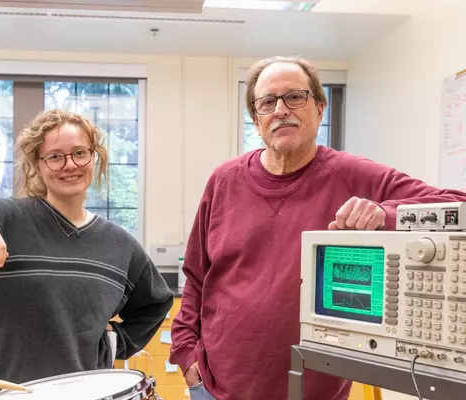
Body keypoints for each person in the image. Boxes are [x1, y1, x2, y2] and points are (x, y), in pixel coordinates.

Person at [169, 56, 466, 400]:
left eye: (295, 97)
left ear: (320, 109)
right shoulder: (224, 180)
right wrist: (186, 355)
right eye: (267, 102)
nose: (281, 109)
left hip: (312, 390)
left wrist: (385, 214)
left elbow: (458, 204)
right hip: (216, 388)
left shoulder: (354, 175)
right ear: (256, 119)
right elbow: (196, 276)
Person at [0, 109, 173, 399]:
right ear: (36, 165)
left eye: (80, 152)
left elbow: (155, 303)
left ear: (95, 157)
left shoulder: (120, 246)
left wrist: (114, 344)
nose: (70, 165)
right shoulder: (1, 220)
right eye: (54, 156)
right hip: (3, 395)